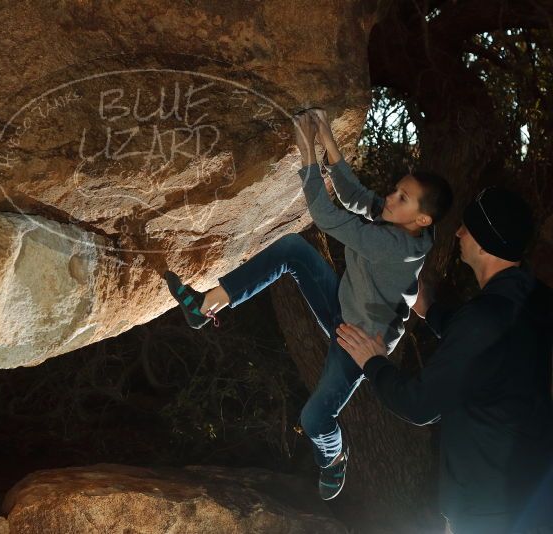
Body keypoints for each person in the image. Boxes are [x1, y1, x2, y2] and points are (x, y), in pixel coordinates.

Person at [164, 108, 453, 499]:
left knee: (315, 418)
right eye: (395, 189)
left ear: (421, 220)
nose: (390, 198)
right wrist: (326, 136)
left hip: (359, 345)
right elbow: (354, 197)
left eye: (402, 198)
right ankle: (205, 307)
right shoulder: (396, 219)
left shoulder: (393, 246)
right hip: (343, 305)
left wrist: (306, 152)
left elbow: (326, 216)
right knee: (292, 249)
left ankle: (333, 458)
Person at [336, 186, 553, 533]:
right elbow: (488, 342)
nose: (458, 233)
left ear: (484, 245)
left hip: (486, 512)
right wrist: (430, 311)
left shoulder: (484, 319)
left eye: (467, 227)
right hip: (528, 498)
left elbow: (419, 404)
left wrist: (373, 361)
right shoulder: (534, 299)